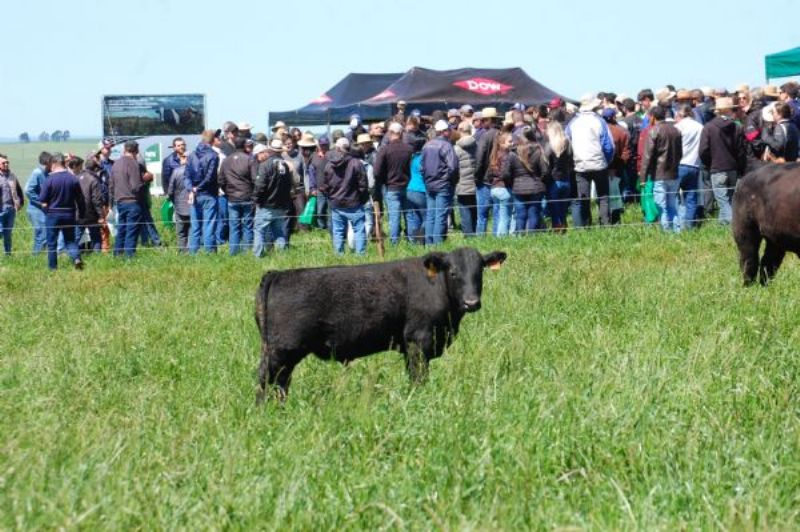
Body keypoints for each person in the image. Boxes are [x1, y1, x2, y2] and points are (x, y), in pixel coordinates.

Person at [566, 94, 615, 226]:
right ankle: (605, 224)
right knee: (603, 197)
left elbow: (567, 144)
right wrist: (607, 161)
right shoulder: (600, 121)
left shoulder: (572, 123)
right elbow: (609, 146)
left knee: (584, 198)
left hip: (580, 165)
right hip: (599, 164)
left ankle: (586, 225)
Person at [699, 97, 747, 224]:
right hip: (733, 168)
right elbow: (741, 151)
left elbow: (703, 151)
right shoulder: (737, 127)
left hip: (717, 169)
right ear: (730, 110)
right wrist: (741, 168)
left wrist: (710, 163)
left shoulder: (709, 127)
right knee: (730, 200)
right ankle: (723, 227)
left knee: (723, 202)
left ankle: (734, 225)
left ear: (717, 111)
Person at [320, 137, 369, 255]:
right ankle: (360, 255)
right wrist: (362, 199)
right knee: (359, 230)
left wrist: (331, 197)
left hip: (336, 203)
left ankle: (339, 255)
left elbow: (325, 185)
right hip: (354, 203)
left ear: (337, 148)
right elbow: (363, 185)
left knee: (338, 231)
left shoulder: (329, 165)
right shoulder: (356, 163)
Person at [640, 105, 683, 232]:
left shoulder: (653, 131)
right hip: (674, 174)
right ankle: (677, 231)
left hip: (659, 174)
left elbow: (647, 157)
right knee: (672, 205)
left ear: (652, 117)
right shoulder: (676, 130)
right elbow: (680, 153)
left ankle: (667, 233)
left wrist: (643, 178)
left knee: (661, 206)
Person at [38, 153, 85, 270]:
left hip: (53, 214)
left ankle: (53, 268)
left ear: (54, 164)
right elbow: (80, 199)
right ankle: (76, 258)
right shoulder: (73, 179)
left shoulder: (49, 180)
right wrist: (82, 214)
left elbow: (43, 201)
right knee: (70, 240)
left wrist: (47, 212)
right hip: (69, 213)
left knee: (52, 243)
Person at [374, 122, 413, 245]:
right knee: (409, 216)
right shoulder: (409, 149)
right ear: (401, 133)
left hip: (391, 187)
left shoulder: (384, 150)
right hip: (408, 186)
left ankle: (394, 243)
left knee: (394, 217)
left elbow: (376, 171)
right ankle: (411, 240)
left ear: (390, 133)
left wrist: (384, 181)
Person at [110, 141, 151, 257]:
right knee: (132, 231)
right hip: (132, 202)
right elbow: (136, 186)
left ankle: (117, 254)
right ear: (136, 151)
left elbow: (111, 185)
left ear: (125, 149)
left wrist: (110, 203)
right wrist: (146, 179)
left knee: (121, 230)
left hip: (120, 202)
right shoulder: (134, 163)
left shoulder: (116, 164)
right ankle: (129, 256)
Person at [421, 120, 459, 245]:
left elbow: (422, 167)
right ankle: (438, 245)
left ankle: (428, 243)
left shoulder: (426, 145)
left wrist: (427, 180)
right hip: (443, 185)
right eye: (449, 130)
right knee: (441, 216)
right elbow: (453, 167)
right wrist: (448, 180)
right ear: (444, 131)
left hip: (429, 185)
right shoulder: (446, 146)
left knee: (431, 215)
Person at [252, 140, 292, 256]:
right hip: (281, 205)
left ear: (270, 150)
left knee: (259, 230)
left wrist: (255, 200)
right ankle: (282, 256)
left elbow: (260, 185)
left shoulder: (265, 164)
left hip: (266, 204)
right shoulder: (285, 165)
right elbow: (288, 185)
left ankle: (258, 256)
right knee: (279, 231)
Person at [505, 131, 548, 234]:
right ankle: (532, 236)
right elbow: (545, 171)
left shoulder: (512, 154)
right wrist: (540, 180)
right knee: (533, 213)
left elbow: (506, 173)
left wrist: (512, 183)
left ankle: (520, 235)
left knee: (520, 214)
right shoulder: (538, 151)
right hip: (536, 187)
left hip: (518, 188)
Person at [185, 130, 220, 253]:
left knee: (195, 226)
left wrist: (191, 188)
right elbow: (210, 177)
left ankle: (193, 253)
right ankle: (209, 253)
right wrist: (197, 188)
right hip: (208, 194)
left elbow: (186, 176)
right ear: (212, 140)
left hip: (194, 194)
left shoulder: (191, 155)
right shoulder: (214, 156)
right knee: (209, 225)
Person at [218, 137, 255, 255]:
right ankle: (247, 252)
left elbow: (221, 180)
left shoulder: (226, 161)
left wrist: (228, 192)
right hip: (247, 197)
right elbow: (254, 179)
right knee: (247, 226)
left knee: (234, 226)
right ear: (244, 146)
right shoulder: (249, 159)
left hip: (232, 198)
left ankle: (233, 252)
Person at [675, 104, 704, 229]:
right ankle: (689, 225)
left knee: (675, 196)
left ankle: (678, 225)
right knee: (691, 197)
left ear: (680, 115)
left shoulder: (678, 127)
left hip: (679, 164)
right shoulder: (700, 127)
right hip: (694, 164)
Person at [601, 108, 630, 223]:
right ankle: (616, 220)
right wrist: (620, 166)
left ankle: (604, 219)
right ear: (613, 117)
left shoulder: (599, 131)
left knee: (603, 196)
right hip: (617, 168)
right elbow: (626, 152)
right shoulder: (621, 131)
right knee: (616, 195)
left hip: (601, 168)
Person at [544, 121, 574, 232]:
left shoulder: (549, 145)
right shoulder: (568, 143)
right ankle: (564, 230)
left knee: (554, 210)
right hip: (566, 180)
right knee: (563, 209)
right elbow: (571, 161)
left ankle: (557, 231)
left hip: (553, 182)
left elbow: (546, 164)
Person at [473, 107, 500, 234]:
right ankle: (496, 237)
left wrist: (476, 177)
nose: (482, 123)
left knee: (482, 215)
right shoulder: (501, 134)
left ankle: (480, 239)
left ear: (489, 120)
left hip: (485, 180)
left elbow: (479, 159)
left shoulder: (485, 136)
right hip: (499, 179)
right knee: (497, 213)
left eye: (484, 120)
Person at [76, 153, 106, 253]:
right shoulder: (94, 180)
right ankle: (97, 257)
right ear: (95, 169)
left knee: (76, 236)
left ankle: (72, 254)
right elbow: (96, 200)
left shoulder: (76, 177)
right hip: (91, 214)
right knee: (96, 237)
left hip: (78, 213)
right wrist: (101, 216)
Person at [24, 151, 52, 254]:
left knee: (43, 234)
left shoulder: (46, 173)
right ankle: (36, 257)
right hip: (35, 209)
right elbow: (28, 190)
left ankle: (38, 256)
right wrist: (41, 202)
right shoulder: (38, 172)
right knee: (41, 234)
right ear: (47, 162)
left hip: (41, 209)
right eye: (51, 162)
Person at [453, 121, 478, 237]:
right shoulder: (476, 144)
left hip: (461, 183)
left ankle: (468, 235)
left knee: (464, 211)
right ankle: (474, 231)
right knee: (473, 210)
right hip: (474, 183)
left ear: (460, 130)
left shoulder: (456, 149)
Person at [487, 132, 513, 236]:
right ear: (502, 143)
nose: (512, 143)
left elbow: (489, 173)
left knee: (498, 215)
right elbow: (505, 174)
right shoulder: (506, 156)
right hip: (503, 188)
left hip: (494, 189)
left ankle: (496, 235)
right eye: (510, 141)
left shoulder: (494, 154)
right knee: (505, 216)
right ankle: (502, 238)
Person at [166, 145, 191, 252]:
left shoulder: (176, 172)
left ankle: (182, 251)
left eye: (182, 157)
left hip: (179, 206)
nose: (180, 159)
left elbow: (170, 190)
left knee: (181, 231)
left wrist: (173, 200)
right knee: (192, 230)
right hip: (192, 205)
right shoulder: (196, 171)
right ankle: (191, 251)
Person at [405, 137, 427, 244]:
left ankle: (414, 241)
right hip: (420, 190)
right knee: (427, 217)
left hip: (410, 189)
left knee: (415, 217)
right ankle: (422, 239)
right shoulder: (423, 159)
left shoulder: (413, 158)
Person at [0, 153, 22, 255]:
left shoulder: (12, 176)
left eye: (7, 162)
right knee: (0, 231)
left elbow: (18, 190)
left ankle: (7, 254)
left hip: (11, 208)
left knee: (8, 233)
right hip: (1, 208)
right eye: (4, 163)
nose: (6, 164)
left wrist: (19, 203)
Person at [312, 135, 331, 230]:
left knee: (331, 210)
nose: (324, 147)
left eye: (326, 145)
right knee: (320, 210)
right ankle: (322, 228)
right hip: (319, 189)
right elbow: (311, 173)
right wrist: (313, 187)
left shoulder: (332, 155)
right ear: (319, 145)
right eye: (322, 145)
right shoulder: (314, 157)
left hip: (332, 188)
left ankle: (330, 227)